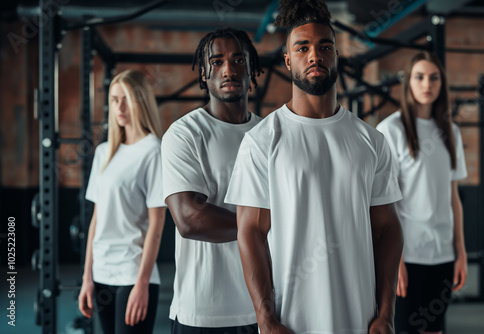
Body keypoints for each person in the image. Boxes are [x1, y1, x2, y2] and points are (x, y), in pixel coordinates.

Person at [225, 1, 404, 333]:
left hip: (360, 320)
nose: (314, 55)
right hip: (292, 323)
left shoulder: (371, 140)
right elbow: (251, 233)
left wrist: (386, 313)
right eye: (302, 47)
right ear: (287, 58)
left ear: (336, 55)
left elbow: (388, 228)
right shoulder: (262, 140)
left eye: (325, 46)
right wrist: (266, 320)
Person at [161, 27, 263, 334]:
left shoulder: (270, 135)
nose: (228, 69)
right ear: (203, 74)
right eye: (216, 62)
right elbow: (190, 219)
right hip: (204, 312)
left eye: (238, 60)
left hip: (264, 308)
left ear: (252, 70)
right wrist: (267, 227)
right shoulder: (184, 134)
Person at [376, 52, 468, 334]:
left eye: (433, 77)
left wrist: (461, 251)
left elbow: (454, 198)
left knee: (434, 330)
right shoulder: (390, 130)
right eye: (419, 77)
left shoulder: (450, 131)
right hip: (408, 254)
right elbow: (384, 202)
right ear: (409, 83)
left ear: (441, 83)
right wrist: (396, 260)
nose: (427, 83)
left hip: (442, 254)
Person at [78, 69, 166, 334]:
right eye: (114, 100)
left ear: (141, 101)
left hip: (133, 272)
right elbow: (96, 219)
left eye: (126, 98)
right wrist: (87, 277)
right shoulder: (104, 152)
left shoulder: (154, 150)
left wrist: (142, 283)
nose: (119, 106)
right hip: (101, 272)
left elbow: (157, 225)